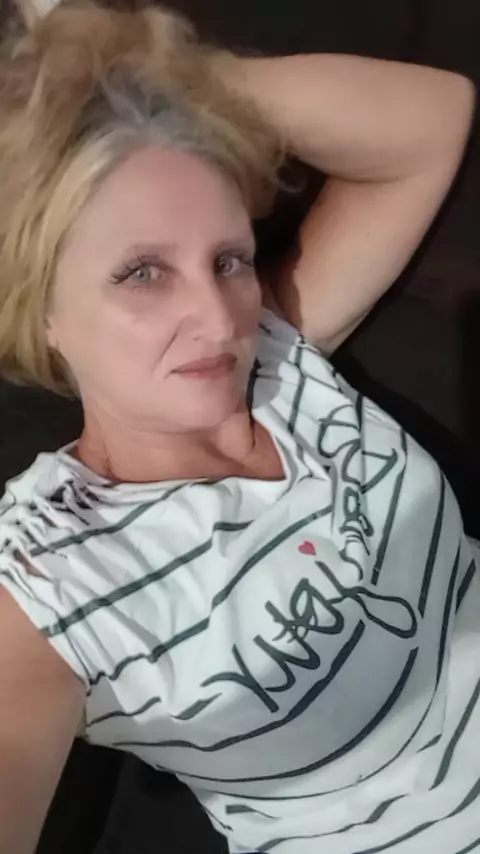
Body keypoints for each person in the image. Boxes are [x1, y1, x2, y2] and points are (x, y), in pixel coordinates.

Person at [0, 3, 477, 853]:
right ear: (42, 310)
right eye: (142, 273)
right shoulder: (54, 576)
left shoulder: (279, 356)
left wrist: (132, 81)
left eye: (229, 260)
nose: (220, 321)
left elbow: (433, 119)